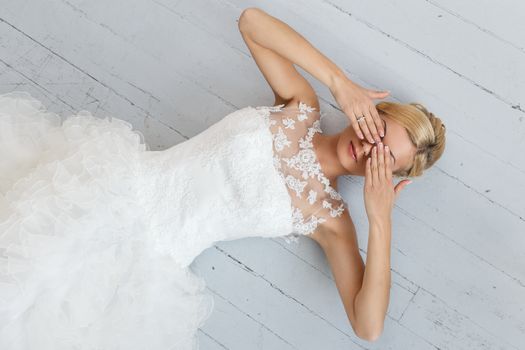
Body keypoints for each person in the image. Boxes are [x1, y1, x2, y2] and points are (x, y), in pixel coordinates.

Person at [0, 7, 445, 350]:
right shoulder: (300, 107)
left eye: (383, 160)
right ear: (370, 112)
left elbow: (367, 327)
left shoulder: (330, 219)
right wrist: (339, 82)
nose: (369, 150)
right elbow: (252, 22)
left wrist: (380, 218)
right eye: (378, 133)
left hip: (143, 265)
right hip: (113, 188)